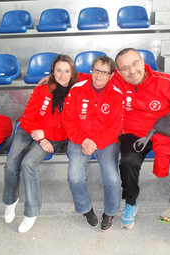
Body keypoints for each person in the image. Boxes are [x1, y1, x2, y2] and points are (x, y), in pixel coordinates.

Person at [113, 48, 170, 245]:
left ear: (142, 61)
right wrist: (55, 79)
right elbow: (93, 75)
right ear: (118, 71)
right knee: (127, 161)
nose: (131, 71)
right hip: (135, 133)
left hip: (165, 132)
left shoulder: (165, 82)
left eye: (135, 63)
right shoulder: (115, 82)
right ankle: (131, 202)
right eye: (125, 68)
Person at [3, 54, 78, 233]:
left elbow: (68, 129)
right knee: (12, 163)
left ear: (72, 73)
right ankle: (11, 200)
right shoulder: (43, 89)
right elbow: (28, 118)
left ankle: (31, 212)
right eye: (58, 70)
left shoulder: (76, 94)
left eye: (67, 71)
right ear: (52, 71)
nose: (62, 75)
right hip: (29, 130)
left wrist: (46, 135)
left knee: (28, 163)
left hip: (53, 135)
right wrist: (40, 137)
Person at [62, 55, 124, 232]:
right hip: (79, 139)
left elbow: (115, 127)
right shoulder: (77, 89)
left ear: (111, 75)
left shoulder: (116, 95)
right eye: (96, 70)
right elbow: (68, 119)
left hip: (105, 141)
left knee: (112, 178)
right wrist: (83, 140)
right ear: (91, 70)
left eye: (104, 72)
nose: (99, 75)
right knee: (74, 177)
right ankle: (86, 210)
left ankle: (110, 212)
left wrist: (94, 142)